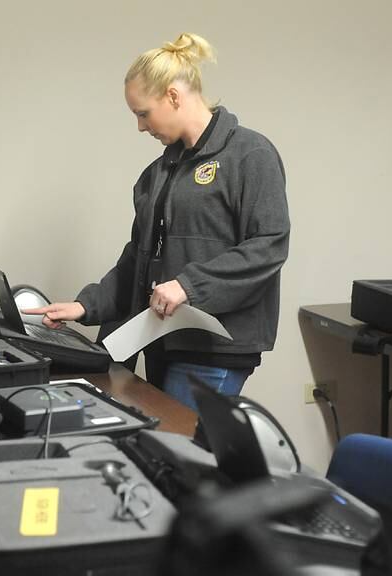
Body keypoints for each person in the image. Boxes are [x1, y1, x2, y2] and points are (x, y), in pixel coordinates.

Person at [25, 33, 289, 410]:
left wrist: (188, 286)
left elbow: (269, 244)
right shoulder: (158, 172)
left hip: (213, 351)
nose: (140, 127)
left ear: (173, 96)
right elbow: (139, 258)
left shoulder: (250, 155)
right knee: (163, 452)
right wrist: (86, 305)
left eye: (142, 113)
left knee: (181, 454)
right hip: (162, 342)